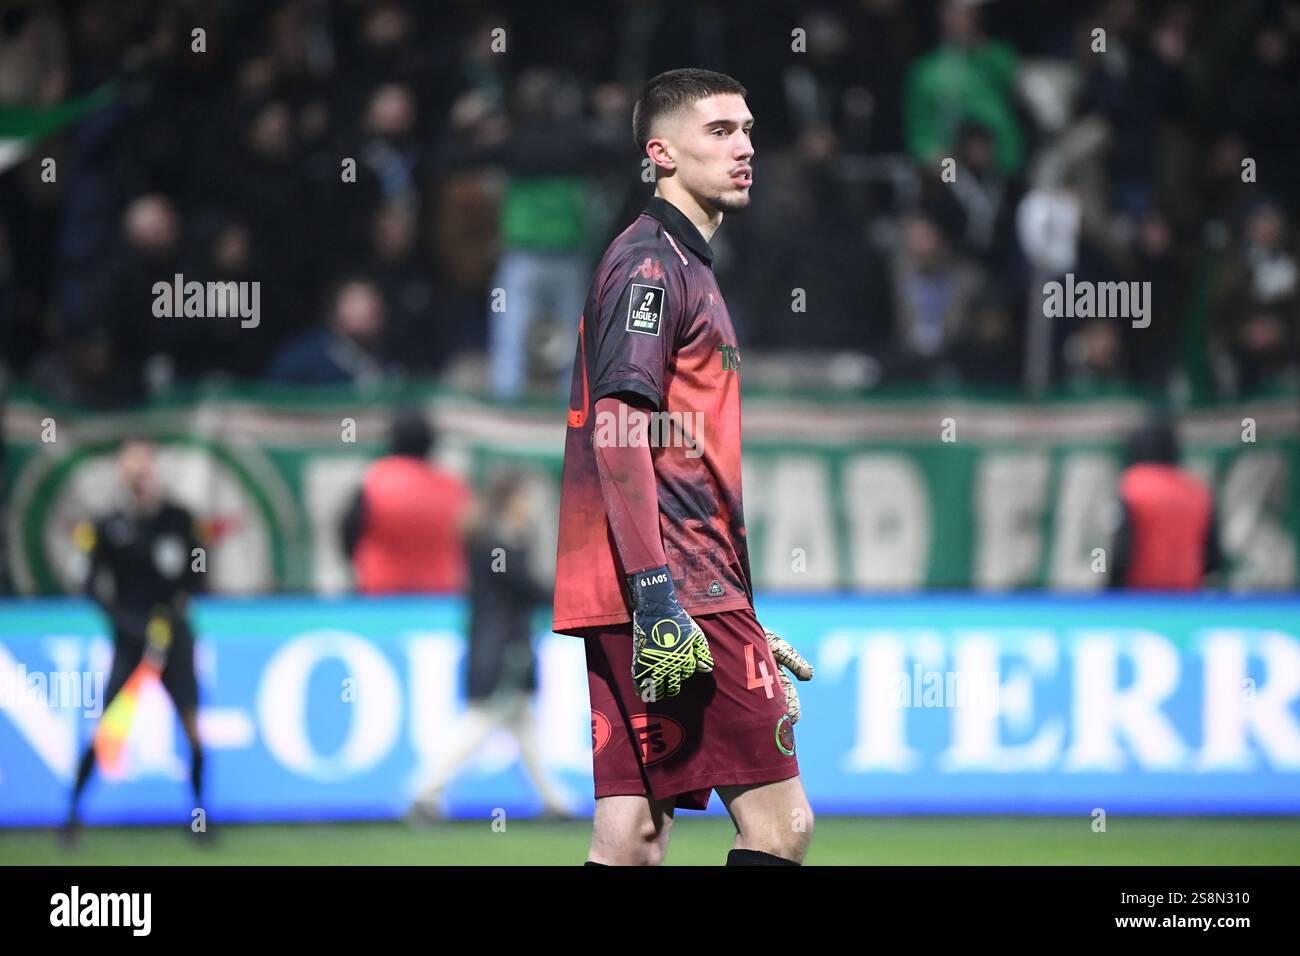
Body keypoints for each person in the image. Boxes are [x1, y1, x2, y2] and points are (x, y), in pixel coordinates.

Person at [553, 68, 815, 866]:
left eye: (747, 131)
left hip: (644, 586)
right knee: (781, 827)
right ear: (660, 152)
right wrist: (664, 596)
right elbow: (620, 428)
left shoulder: (679, 264)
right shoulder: (651, 266)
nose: (745, 149)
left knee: (631, 837)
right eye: (720, 132)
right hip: (672, 586)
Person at [62, 438, 208, 843]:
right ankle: (72, 817)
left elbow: (199, 573)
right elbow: (91, 586)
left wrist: (174, 613)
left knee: (192, 724)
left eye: (146, 465)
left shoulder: (179, 520)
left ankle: (200, 819)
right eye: (132, 467)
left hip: (173, 634)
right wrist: (128, 625)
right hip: (130, 635)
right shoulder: (107, 526)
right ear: (121, 473)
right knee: (107, 724)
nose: (140, 474)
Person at [407, 468, 572, 820]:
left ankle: (553, 801)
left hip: (495, 644)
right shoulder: (499, 546)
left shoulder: (485, 539)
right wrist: (574, 599)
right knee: (481, 720)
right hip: (504, 649)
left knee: (523, 723)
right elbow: (530, 588)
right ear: (513, 500)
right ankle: (426, 791)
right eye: (527, 498)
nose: (531, 506)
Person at [343, 408, 471, 594]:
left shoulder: (374, 481)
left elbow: (348, 533)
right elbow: (474, 543)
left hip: (380, 593)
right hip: (441, 597)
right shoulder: (455, 489)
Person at [1109, 417, 1223, 589]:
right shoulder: (1197, 492)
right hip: (1186, 598)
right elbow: (1213, 557)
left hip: (1139, 598)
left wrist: (1110, 592)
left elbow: (1121, 555)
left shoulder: (1131, 486)